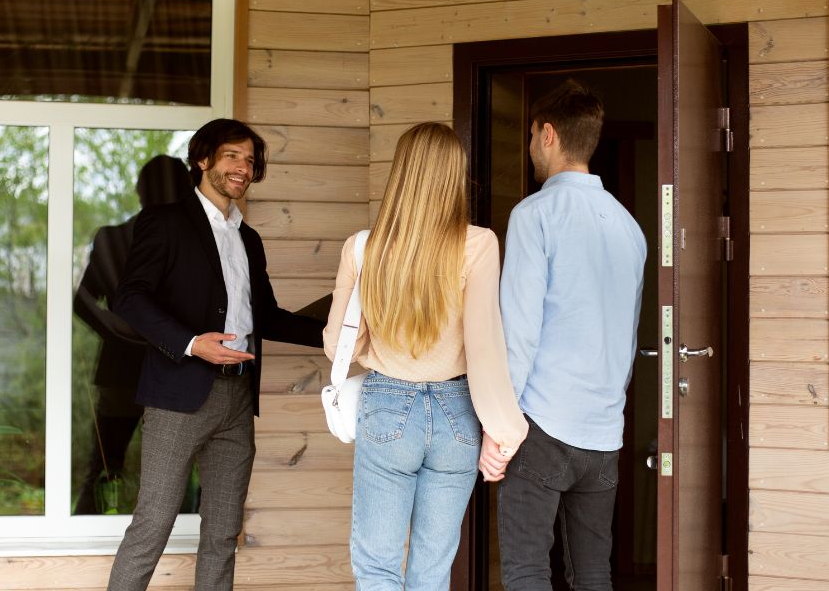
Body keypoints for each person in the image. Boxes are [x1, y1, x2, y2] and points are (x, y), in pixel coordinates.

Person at [107, 118, 325, 591]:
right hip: (177, 396)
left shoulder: (249, 239)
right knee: (152, 526)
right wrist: (191, 343)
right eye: (232, 156)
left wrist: (336, 335)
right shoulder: (166, 222)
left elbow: (267, 317)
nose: (243, 167)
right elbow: (129, 298)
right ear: (203, 160)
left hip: (237, 401)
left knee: (223, 533)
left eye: (250, 160)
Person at [323, 122, 528, 591]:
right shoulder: (479, 244)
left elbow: (339, 345)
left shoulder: (363, 247)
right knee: (432, 572)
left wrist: (379, 342)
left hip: (387, 404)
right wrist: (503, 432)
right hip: (458, 413)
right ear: (455, 175)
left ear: (401, 172)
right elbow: (484, 347)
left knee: (377, 567)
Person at [496, 80, 647, 591]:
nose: (529, 147)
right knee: (593, 574)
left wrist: (502, 425)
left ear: (548, 135)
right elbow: (627, 336)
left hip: (542, 421)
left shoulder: (534, 214)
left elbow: (519, 330)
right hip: (603, 429)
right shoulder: (629, 227)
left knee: (527, 572)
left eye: (531, 135)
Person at [74, 155, 193, 515]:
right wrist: (116, 330)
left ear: (139, 190)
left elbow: (83, 301)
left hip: (162, 370)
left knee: (112, 466)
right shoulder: (116, 239)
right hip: (145, 371)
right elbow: (82, 300)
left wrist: (114, 330)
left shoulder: (116, 239)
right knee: (121, 466)